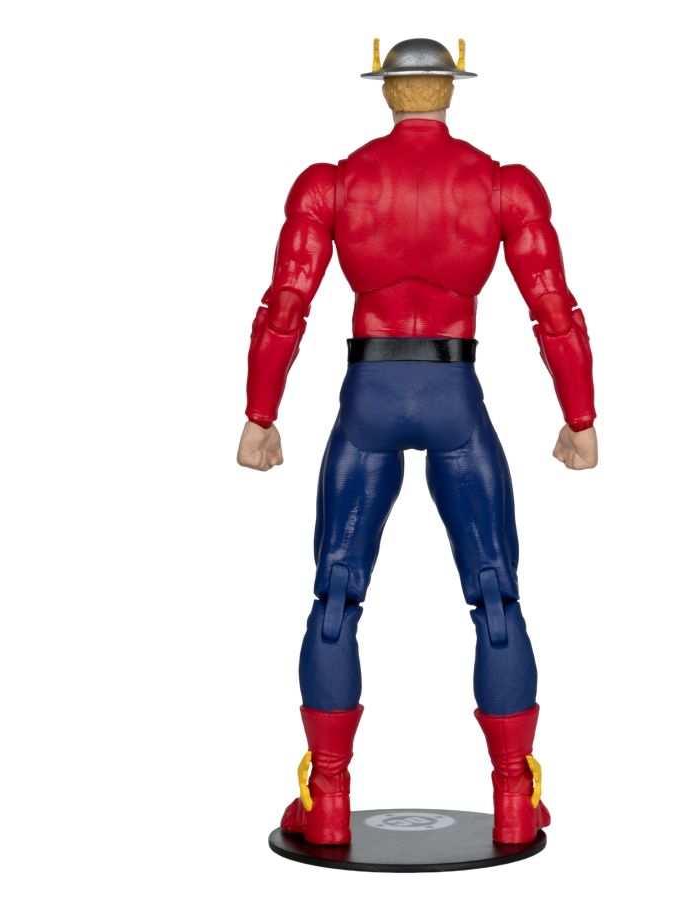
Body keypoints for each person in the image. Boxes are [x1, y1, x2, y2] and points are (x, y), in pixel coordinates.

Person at [237, 38, 598, 846]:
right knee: (495, 597)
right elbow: (553, 307)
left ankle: (328, 801)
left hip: (369, 391)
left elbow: (285, 304)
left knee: (336, 598)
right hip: (452, 391)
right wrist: (579, 418)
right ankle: (515, 799)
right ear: (449, 90)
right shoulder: (502, 185)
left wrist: (261, 414)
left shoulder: (332, 183)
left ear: (388, 91)